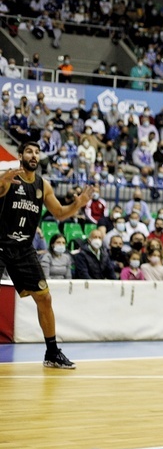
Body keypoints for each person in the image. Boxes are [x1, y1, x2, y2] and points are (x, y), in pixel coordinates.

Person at [0, 142, 93, 369]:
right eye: (29, 151)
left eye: (36, 152)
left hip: (23, 249)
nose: (33, 155)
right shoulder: (8, 178)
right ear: (20, 155)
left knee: (45, 298)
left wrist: (77, 204)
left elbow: (60, 213)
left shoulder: (43, 185)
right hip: (0, 244)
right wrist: (2, 182)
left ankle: (52, 353)